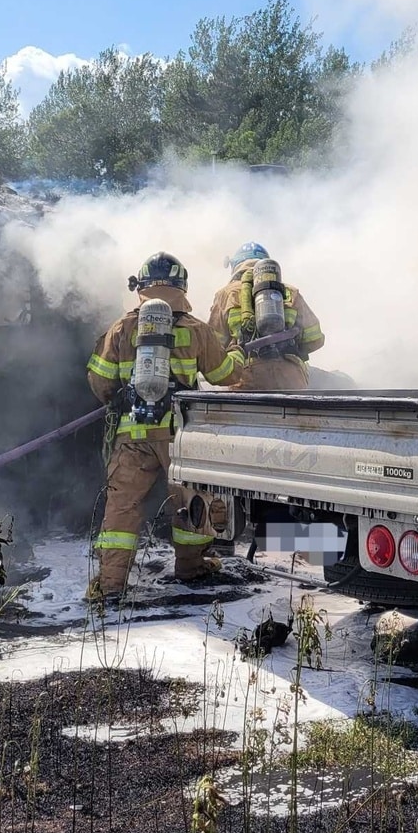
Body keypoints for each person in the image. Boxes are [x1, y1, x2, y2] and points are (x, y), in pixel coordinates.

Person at [85, 252, 246, 600]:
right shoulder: (195, 329)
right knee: (190, 502)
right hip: (179, 435)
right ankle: (191, 567)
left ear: (141, 286)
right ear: (181, 286)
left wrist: (119, 396)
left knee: (122, 509)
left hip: (132, 436)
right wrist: (236, 352)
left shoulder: (122, 328)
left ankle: (110, 585)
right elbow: (226, 375)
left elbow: (99, 381)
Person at [208, 242, 325, 390]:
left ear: (235, 266)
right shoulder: (290, 292)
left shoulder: (225, 294)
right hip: (290, 377)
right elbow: (315, 339)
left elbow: (213, 345)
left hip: (246, 376)